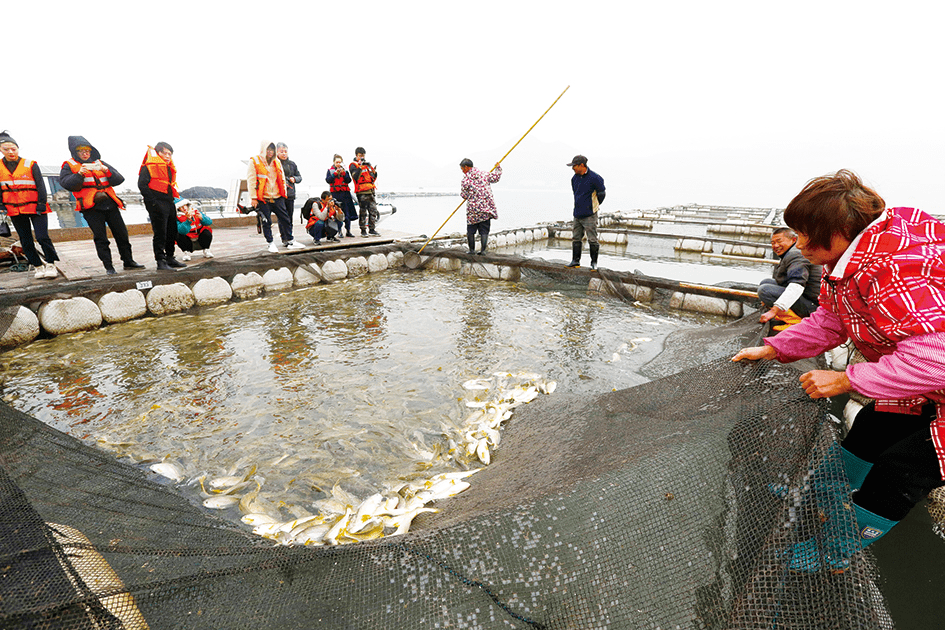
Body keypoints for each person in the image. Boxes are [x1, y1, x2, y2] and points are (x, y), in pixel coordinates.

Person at [732, 169, 945, 572]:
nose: (800, 245)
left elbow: (936, 360)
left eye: (809, 235)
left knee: (901, 471)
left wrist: (847, 379)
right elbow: (832, 320)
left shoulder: (899, 268)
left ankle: (836, 551)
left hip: (935, 376)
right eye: (797, 233)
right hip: (926, 389)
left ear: (845, 229)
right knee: (867, 430)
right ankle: (820, 498)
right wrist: (773, 349)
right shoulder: (853, 262)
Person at [59, 136, 144, 275]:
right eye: (81, 151)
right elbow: (66, 183)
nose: (85, 153)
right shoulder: (69, 165)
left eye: (87, 150)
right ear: (75, 152)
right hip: (91, 208)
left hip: (110, 204)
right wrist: (79, 175)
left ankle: (128, 261)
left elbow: (119, 179)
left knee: (122, 234)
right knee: (101, 238)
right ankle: (109, 267)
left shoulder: (100, 163)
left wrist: (106, 170)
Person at [0, 130, 60, 279]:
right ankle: (38, 266)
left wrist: (41, 203)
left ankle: (51, 263)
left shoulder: (30, 164)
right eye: (6, 149)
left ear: (18, 148)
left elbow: (40, 185)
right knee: (25, 240)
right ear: (1, 150)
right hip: (14, 209)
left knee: (42, 237)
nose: (11, 152)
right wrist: (1, 206)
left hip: (35, 207)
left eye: (13, 148)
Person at [757, 227, 823, 331]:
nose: (775, 246)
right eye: (773, 243)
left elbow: (797, 285)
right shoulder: (792, 252)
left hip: (814, 306)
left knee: (765, 291)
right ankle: (788, 313)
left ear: (793, 240)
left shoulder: (796, 254)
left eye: (779, 241)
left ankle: (796, 321)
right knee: (765, 282)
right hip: (806, 297)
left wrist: (773, 311)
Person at [248, 140, 304, 253]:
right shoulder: (255, 161)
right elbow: (251, 180)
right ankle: (270, 243)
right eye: (268, 149)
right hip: (264, 198)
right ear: (263, 149)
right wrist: (253, 197)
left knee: (286, 219)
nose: (270, 152)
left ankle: (290, 240)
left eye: (272, 150)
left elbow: (282, 178)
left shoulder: (276, 162)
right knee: (267, 222)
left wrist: (284, 194)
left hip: (278, 197)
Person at [138, 142, 186, 270]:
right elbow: (142, 185)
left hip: (168, 201)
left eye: (170, 153)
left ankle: (170, 257)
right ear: (157, 153)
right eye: (164, 153)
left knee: (172, 230)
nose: (167, 156)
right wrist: (153, 202)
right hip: (156, 202)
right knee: (160, 232)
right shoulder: (148, 166)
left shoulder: (167, 167)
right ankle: (161, 261)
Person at [566, 155, 605, 269]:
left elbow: (602, 194)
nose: (573, 168)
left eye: (574, 166)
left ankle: (594, 263)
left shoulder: (595, 178)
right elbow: (576, 194)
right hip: (577, 213)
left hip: (590, 214)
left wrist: (593, 207)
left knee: (592, 238)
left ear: (582, 165)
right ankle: (575, 261)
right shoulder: (574, 179)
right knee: (576, 237)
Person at [459, 158, 501, 255]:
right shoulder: (484, 174)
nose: (462, 171)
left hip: (473, 210)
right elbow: (496, 177)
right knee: (484, 230)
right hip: (486, 208)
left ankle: (472, 250)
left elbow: (464, 195)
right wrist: (498, 168)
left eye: (462, 169)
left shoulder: (465, 180)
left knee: (471, 230)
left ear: (466, 167)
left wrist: (466, 194)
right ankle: (483, 251)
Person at [349, 147, 380, 237]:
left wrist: (374, 172)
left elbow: (372, 177)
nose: (362, 157)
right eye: (360, 155)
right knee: (363, 212)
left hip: (370, 191)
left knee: (373, 211)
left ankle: (372, 229)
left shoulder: (368, 165)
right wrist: (360, 166)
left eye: (363, 155)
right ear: (356, 155)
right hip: (361, 192)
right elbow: (355, 177)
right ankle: (363, 230)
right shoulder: (353, 165)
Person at [325, 154, 356, 238]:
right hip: (335, 194)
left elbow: (349, 180)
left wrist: (344, 174)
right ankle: (339, 231)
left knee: (347, 213)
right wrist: (335, 174)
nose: (338, 164)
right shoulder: (330, 171)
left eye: (340, 162)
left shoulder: (345, 171)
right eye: (337, 162)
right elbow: (328, 180)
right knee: (337, 213)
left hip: (345, 194)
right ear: (334, 162)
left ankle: (348, 231)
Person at [276, 143, 302, 223]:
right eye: (281, 151)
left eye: (285, 151)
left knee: (289, 216)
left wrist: (294, 179)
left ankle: (289, 234)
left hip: (290, 194)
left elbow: (299, 177)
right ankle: (283, 234)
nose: (284, 153)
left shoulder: (292, 164)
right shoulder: (275, 164)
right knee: (281, 217)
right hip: (279, 194)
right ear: (277, 152)